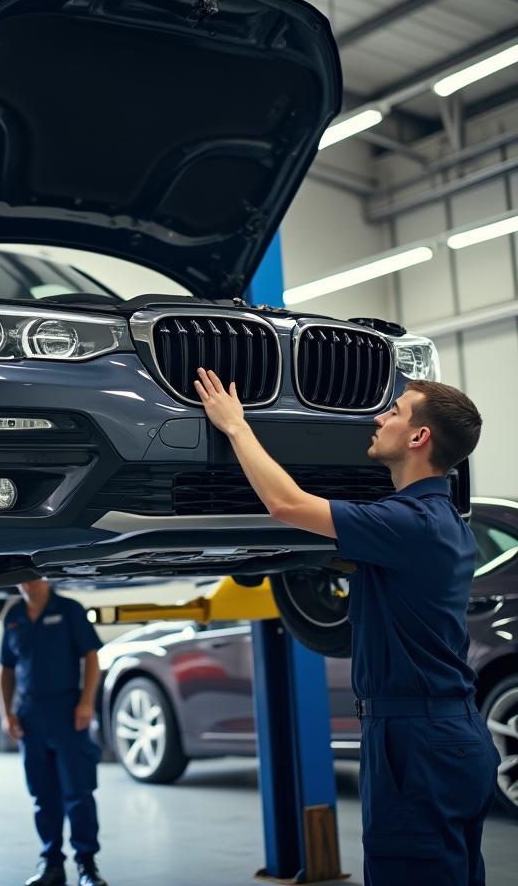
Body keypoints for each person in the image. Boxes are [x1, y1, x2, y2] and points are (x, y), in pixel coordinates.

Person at [193, 367, 499, 886]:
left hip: (414, 741)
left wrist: (236, 426)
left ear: (419, 438)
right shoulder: (443, 523)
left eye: (395, 412)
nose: (380, 418)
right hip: (450, 734)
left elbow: (286, 504)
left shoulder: (406, 524)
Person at [0, 579, 108, 886]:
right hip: (30, 716)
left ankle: (87, 866)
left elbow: (91, 657)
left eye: (34, 576)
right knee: (43, 796)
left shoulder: (70, 610)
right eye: (21, 578)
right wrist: (7, 713)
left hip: (67, 712)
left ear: (45, 578)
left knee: (78, 792)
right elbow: (5, 668)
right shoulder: (14, 616)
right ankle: (52, 865)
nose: (27, 583)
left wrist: (87, 702)